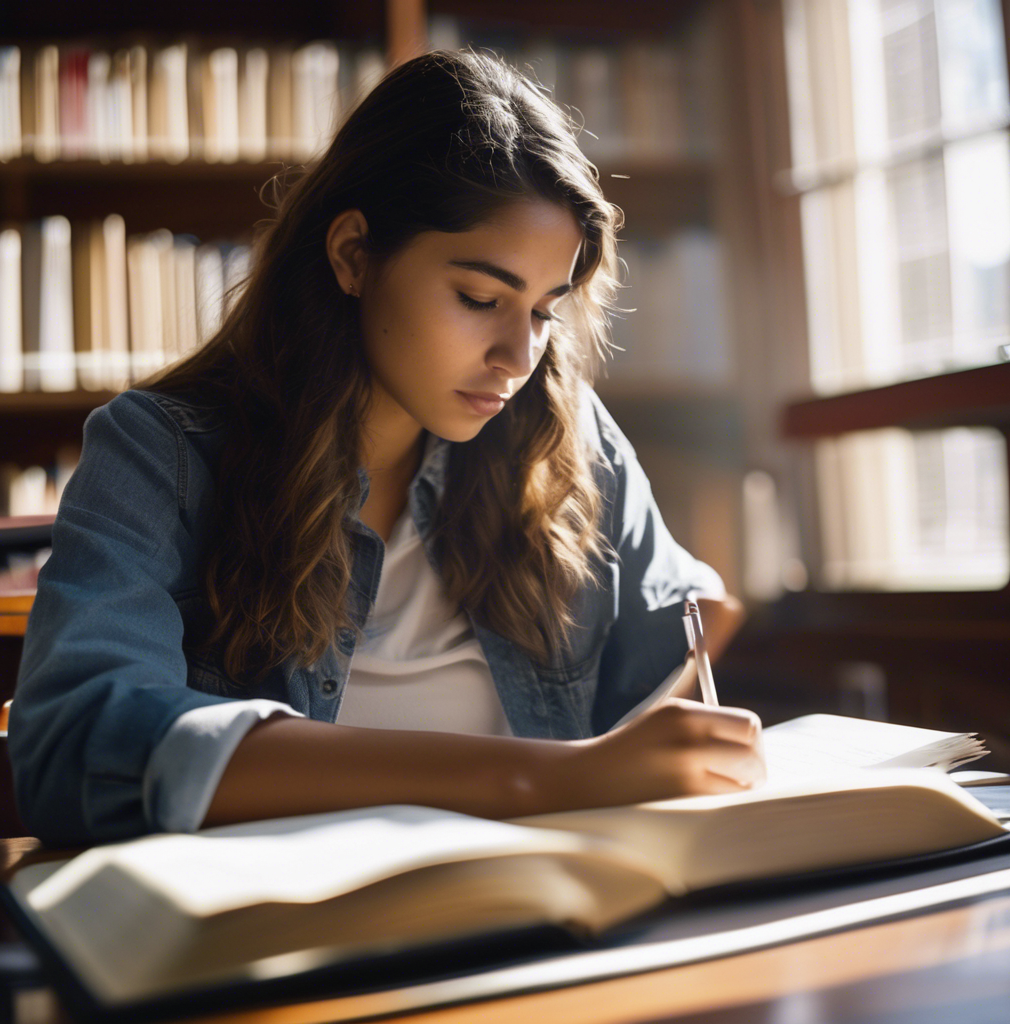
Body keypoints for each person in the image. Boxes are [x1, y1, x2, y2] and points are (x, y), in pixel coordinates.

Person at [10, 50, 765, 848]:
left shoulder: (563, 436)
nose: (518, 356)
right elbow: (75, 744)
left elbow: (688, 628)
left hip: (544, 896)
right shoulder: (162, 451)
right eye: (480, 297)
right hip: (293, 911)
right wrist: (541, 778)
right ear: (352, 255)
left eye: (545, 311)